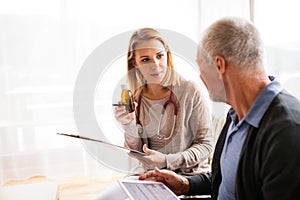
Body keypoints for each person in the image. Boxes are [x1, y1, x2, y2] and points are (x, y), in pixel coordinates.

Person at [139, 17, 300, 200]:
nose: (201, 77)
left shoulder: (288, 132)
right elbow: (227, 181)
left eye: (201, 67)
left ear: (219, 65)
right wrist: (185, 185)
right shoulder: (236, 115)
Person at [95, 28, 213, 200]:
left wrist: (167, 160)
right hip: (151, 178)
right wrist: (128, 126)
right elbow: (137, 153)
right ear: (135, 64)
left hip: (187, 178)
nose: (155, 65)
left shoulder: (189, 91)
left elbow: (205, 145)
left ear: (167, 55)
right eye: (145, 59)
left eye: (159, 56)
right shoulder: (137, 97)